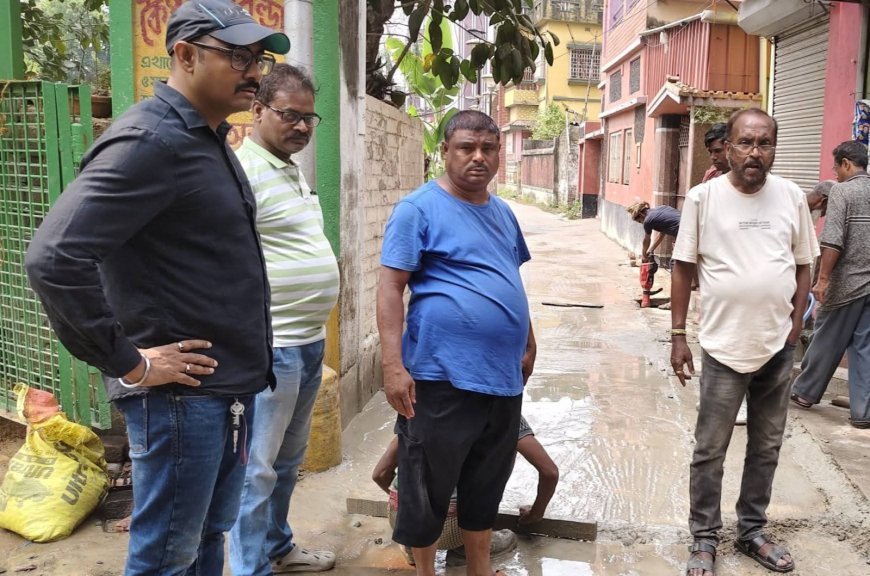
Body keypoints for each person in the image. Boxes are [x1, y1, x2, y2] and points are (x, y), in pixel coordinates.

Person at [24, 2, 290, 574]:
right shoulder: (153, 141)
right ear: (185, 55)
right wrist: (128, 362)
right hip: (179, 400)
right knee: (166, 555)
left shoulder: (208, 138)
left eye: (259, 59)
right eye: (238, 56)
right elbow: (54, 257)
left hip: (223, 393)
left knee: (205, 540)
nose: (255, 72)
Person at [377, 110, 535, 576]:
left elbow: (510, 277)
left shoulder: (503, 212)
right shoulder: (418, 209)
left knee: (487, 481)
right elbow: (390, 288)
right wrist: (392, 366)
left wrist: (528, 338)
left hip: (501, 377)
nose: (478, 158)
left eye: (489, 149)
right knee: (427, 484)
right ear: (444, 151)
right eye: (467, 147)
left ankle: (478, 570)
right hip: (439, 376)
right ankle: (425, 572)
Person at [670, 108, 817, 576]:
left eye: (765, 143)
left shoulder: (791, 196)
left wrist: (795, 324)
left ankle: (752, 531)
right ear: (728, 146)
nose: (755, 153)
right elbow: (682, 267)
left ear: (774, 147)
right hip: (722, 347)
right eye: (746, 143)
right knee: (709, 449)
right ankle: (704, 538)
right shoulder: (703, 198)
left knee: (767, 446)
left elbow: (803, 264)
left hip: (778, 346)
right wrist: (678, 335)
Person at [228, 64, 340, 574]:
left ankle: (278, 548)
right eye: (289, 115)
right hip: (272, 348)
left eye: (308, 118)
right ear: (256, 111)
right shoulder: (242, 173)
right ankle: (249, 566)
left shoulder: (290, 171)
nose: (300, 126)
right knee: (256, 470)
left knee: (288, 464)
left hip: (310, 341)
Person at [372, 416, 559, 566]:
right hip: (456, 526)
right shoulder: (504, 412)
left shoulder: (423, 409)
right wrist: (536, 513)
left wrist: (402, 501)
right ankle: (463, 550)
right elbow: (549, 472)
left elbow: (379, 474)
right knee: (503, 445)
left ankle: (412, 548)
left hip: (401, 518)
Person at [790, 141, 870, 429]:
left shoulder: (842, 192)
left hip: (846, 283)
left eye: (836, 167)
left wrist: (822, 280)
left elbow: (833, 239)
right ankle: (863, 412)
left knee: (826, 338)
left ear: (847, 164)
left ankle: (804, 393)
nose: (835, 174)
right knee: (865, 348)